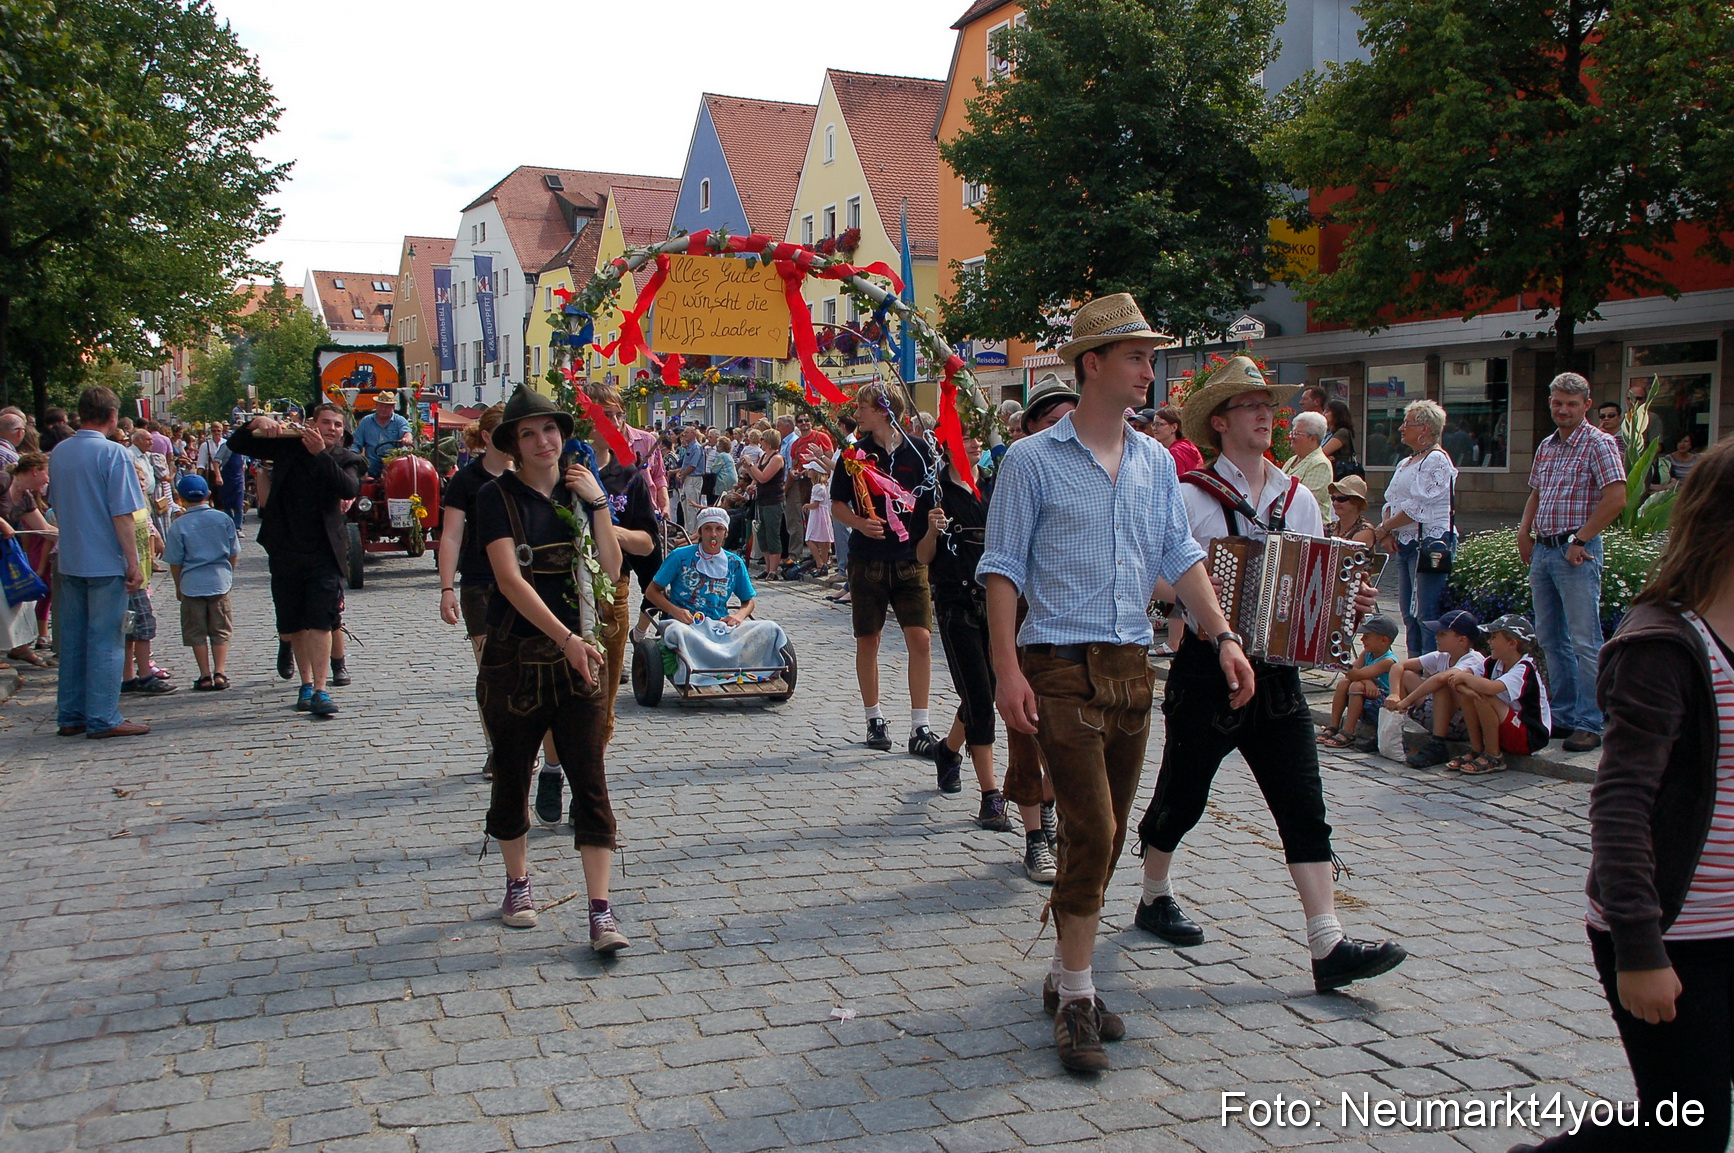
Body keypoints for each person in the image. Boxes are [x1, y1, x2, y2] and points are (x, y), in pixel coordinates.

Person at [981, 294, 1253, 1074]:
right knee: (1091, 830)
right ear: (1092, 364)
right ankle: (1076, 999)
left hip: (1133, 669)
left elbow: (1181, 552)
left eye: (1149, 355)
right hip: (1059, 665)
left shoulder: (1157, 461)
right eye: (1136, 356)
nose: (1149, 369)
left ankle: (1069, 973)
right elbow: (1000, 570)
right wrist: (1005, 668)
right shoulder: (1031, 461)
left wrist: (1223, 634)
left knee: (1106, 842)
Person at [1135, 352, 1402, 1005]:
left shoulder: (1298, 498)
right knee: (1183, 792)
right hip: (1207, 669)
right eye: (1251, 406)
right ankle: (1153, 893)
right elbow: (1156, 578)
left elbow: (1320, 591)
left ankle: (1327, 942)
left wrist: (1350, 604)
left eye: (1267, 405)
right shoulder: (1192, 495)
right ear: (1221, 422)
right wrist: (1210, 596)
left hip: (1278, 675)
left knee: (1303, 805)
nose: (1266, 415)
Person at [1504, 439, 1734, 1153]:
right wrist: (1641, 948)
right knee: (1685, 1127)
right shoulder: (1663, 644)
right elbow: (1621, 803)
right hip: (1673, 933)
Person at [472, 385, 627, 952]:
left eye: (550, 430)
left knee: (591, 779)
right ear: (512, 443)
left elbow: (610, 571)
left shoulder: (581, 491)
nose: (543, 441)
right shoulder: (496, 497)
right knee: (511, 776)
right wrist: (563, 638)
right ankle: (518, 884)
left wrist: (600, 504)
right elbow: (510, 580)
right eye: (529, 433)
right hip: (516, 661)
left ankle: (600, 910)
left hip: (578, 659)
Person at [227, 404, 365, 718]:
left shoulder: (347, 459)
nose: (332, 428)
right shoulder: (289, 445)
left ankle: (320, 688)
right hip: (285, 548)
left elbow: (348, 487)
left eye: (338, 425)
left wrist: (320, 455)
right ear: (312, 424)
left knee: (320, 620)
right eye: (326, 423)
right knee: (295, 623)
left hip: (324, 552)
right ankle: (305, 685)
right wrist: (254, 422)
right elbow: (237, 444)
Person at [830, 384, 942, 763]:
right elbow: (837, 504)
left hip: (911, 559)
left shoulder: (919, 450)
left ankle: (920, 725)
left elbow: (930, 500)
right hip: (868, 560)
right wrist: (860, 524)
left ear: (883, 410)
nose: (857, 415)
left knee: (921, 640)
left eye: (862, 408)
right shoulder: (854, 454)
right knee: (869, 640)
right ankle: (874, 717)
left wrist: (932, 528)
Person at [1518, 371, 1626, 753]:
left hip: (1575, 550)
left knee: (1585, 639)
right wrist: (1524, 531)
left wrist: (1581, 539)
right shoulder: (1547, 445)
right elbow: (1536, 493)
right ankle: (1562, 714)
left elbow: (1615, 498)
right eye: (1558, 403)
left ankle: (1590, 721)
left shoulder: (1599, 443)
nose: (1563, 410)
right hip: (1544, 550)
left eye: (1571, 404)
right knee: (1549, 638)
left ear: (1587, 405)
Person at [999, 378, 1077, 883]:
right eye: (1052, 422)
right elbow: (1003, 562)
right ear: (1029, 427)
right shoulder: (1021, 466)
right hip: (1027, 617)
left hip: (1077, 625)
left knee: (1067, 738)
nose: (1063, 431)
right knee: (1026, 732)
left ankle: (1049, 808)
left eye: (1070, 420)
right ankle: (1033, 835)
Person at [916, 434, 1011, 829]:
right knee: (979, 696)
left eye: (977, 438)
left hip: (996, 600)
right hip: (956, 600)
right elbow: (922, 557)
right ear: (948, 445)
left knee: (985, 688)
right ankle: (990, 794)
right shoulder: (933, 491)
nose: (974, 445)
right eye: (964, 438)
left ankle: (949, 750)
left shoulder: (993, 484)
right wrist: (932, 530)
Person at [51, 387, 148, 739]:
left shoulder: (60, 452)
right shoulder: (113, 454)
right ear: (111, 416)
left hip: (71, 556)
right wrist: (133, 561)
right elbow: (123, 514)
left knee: (73, 639)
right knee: (108, 639)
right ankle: (103, 716)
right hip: (105, 559)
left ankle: (71, 713)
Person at [438, 404, 509, 776]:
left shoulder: (532, 474)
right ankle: (496, 748)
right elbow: (451, 536)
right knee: (491, 672)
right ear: (487, 437)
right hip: (480, 584)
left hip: (529, 584)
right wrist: (447, 587)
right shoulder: (466, 480)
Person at [1371, 398, 1457, 656]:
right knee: (1409, 614)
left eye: (1407, 423)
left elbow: (1418, 507)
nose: (1401, 428)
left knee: (1426, 614)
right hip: (1407, 542)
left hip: (1429, 543)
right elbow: (1391, 500)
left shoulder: (1436, 460)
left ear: (1425, 429)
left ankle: (1429, 674)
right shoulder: (1406, 461)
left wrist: (1384, 527)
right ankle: (1413, 668)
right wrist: (1387, 533)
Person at [1448, 613, 1551, 774]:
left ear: (1512, 643)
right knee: (1472, 694)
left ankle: (1493, 756)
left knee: (1485, 697)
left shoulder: (1525, 667)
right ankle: (1476, 749)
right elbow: (1456, 680)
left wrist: (1465, 678)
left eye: (1494, 637)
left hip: (1528, 735)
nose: (1489, 642)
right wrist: (1467, 686)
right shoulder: (1493, 661)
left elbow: (1490, 688)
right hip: (1504, 726)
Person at [1384, 608, 1487, 768]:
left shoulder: (1474, 659)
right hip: (1439, 715)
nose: (1436, 637)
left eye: (1442, 634)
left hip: (1462, 724)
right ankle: (1393, 733)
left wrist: (1407, 701)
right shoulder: (1442, 656)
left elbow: (1441, 678)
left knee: (1442, 685)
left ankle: (1438, 745)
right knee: (1406, 675)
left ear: (1462, 640)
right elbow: (1398, 666)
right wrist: (1395, 694)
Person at [163, 474, 238, 691]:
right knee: (221, 628)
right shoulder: (223, 519)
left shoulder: (179, 525)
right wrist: (228, 573)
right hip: (219, 581)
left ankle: (204, 674)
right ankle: (220, 672)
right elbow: (233, 552)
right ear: (207, 494)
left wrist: (179, 586)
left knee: (195, 630)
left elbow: (175, 561)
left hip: (192, 584)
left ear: (181, 498)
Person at [1, 452, 55, 659]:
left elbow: (43, 529)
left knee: (15, 599)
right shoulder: (4, 480)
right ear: (35, 471)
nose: (48, 479)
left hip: (4, 553)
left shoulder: (25, 497)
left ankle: (19, 647)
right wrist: (3, 522)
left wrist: (69, 539)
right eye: (46, 473)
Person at [1317, 615, 1397, 751]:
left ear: (1383, 640)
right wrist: (1366, 681)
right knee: (1343, 683)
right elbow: (1352, 672)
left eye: (1367, 636)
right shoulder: (1367, 654)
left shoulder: (1388, 661)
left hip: (1381, 705)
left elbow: (1356, 674)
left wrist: (1338, 658)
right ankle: (1334, 726)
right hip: (1363, 698)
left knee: (1356, 684)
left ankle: (1349, 731)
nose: (1362, 639)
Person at [744, 428, 788, 579]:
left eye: (762, 439)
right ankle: (767, 567)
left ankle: (773, 570)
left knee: (772, 533)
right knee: (761, 534)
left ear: (768, 441)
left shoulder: (777, 458)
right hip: (761, 499)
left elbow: (764, 477)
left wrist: (751, 465)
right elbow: (757, 477)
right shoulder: (763, 456)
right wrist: (751, 480)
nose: (760, 442)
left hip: (773, 501)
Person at [1281, 410, 1333, 512]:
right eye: (1292, 432)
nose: (1291, 437)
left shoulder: (1320, 464)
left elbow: (1305, 501)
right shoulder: (1292, 460)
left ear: (1313, 438)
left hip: (1307, 525)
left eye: (1296, 433)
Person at [351, 392, 412, 478]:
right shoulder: (366, 421)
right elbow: (356, 442)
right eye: (381, 406)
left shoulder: (399, 421)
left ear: (393, 407)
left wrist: (406, 438)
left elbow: (406, 432)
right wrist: (353, 454)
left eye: (387, 406)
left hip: (394, 463)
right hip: (371, 465)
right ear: (376, 406)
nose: (383, 409)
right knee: (363, 479)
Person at [1148, 404, 1203, 475]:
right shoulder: (1187, 445)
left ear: (1174, 427)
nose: (1154, 428)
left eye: (1159, 424)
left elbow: (1177, 482)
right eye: (1153, 424)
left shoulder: (1175, 452)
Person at [1326, 475, 1377, 547]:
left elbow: (1345, 555)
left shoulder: (1364, 531)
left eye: (1341, 499)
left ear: (1356, 502)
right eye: (1333, 498)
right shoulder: (1330, 527)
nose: (1335, 503)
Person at [802, 462, 833, 574]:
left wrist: (806, 505)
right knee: (823, 541)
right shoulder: (824, 486)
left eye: (810, 469)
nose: (808, 471)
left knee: (809, 539)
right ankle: (823, 564)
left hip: (818, 515)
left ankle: (819, 563)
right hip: (823, 514)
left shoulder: (817, 487)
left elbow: (815, 504)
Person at [1321, 399, 1360, 481]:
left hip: (1339, 475)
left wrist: (1324, 456)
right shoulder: (1329, 433)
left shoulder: (1342, 432)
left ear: (1336, 414)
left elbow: (1321, 453)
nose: (1323, 414)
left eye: (1327, 411)